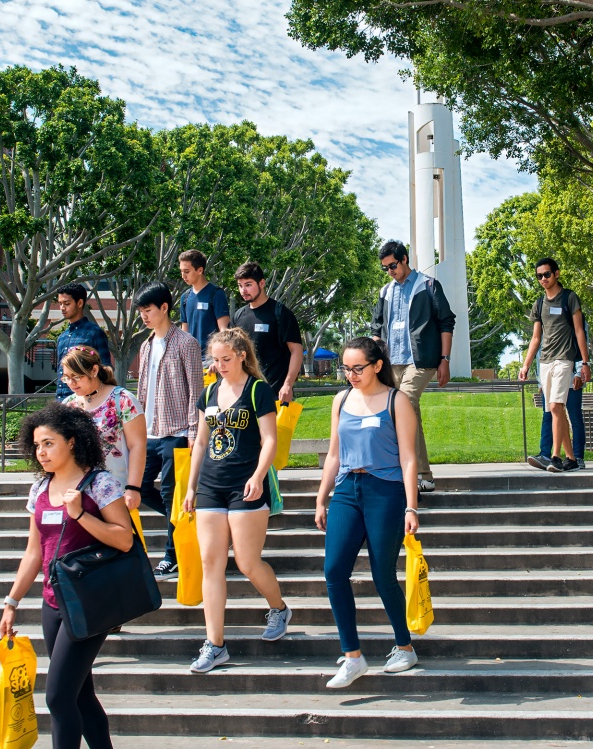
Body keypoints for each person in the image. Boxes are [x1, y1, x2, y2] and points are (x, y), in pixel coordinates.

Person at [0, 403, 133, 749]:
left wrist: (80, 515)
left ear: (72, 442)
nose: (41, 452)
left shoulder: (99, 483)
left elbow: (124, 538)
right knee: (81, 695)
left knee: (58, 697)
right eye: (37, 445)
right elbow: (34, 552)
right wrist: (11, 602)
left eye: (49, 443)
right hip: (53, 602)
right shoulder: (40, 490)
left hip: (90, 602)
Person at [183, 327, 291, 674]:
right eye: (215, 360)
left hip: (246, 484)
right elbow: (199, 442)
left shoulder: (259, 389)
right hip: (211, 487)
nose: (219, 366)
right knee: (211, 565)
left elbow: (270, 440)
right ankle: (215, 644)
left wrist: (258, 476)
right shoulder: (209, 391)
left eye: (226, 359)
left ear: (242, 355)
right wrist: (190, 486)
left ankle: (279, 607)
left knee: (246, 562)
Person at [315, 337, 420, 689]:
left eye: (357, 367)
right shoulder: (341, 400)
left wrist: (411, 505)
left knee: (382, 574)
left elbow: (409, 458)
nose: (351, 374)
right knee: (333, 571)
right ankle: (352, 656)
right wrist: (321, 497)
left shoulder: (396, 400)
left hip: (385, 491)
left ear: (377, 365)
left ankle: (404, 646)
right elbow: (333, 454)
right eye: (346, 368)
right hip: (347, 489)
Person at [370, 241, 456, 494]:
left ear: (404, 259)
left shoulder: (428, 285)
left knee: (405, 403)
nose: (390, 272)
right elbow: (377, 327)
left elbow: (446, 322)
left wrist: (445, 360)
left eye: (393, 266)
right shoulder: (385, 292)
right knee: (403, 413)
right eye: (385, 268)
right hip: (389, 363)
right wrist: (376, 352)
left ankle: (413, 473)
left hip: (421, 361)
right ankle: (421, 475)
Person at [134, 281, 203, 580]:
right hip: (148, 431)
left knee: (169, 493)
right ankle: (190, 522)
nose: (144, 317)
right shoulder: (146, 345)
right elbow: (141, 390)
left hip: (177, 430)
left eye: (148, 310)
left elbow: (196, 392)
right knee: (137, 486)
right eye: (141, 312)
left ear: (164, 308)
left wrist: (193, 432)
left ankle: (171, 555)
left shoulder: (186, 343)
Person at [518, 258, 590, 472]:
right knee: (555, 411)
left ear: (556, 274)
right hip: (545, 361)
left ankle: (554, 457)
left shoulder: (569, 298)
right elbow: (535, 338)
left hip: (565, 358)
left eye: (546, 274)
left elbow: (579, 331)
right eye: (539, 276)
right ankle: (572, 458)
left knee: (556, 406)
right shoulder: (539, 303)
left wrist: (585, 363)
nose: (543, 279)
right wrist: (525, 365)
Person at [60, 346, 146, 507]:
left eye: (76, 377)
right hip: (76, 493)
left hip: (115, 492)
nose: (70, 383)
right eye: (66, 378)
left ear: (94, 370)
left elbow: (138, 445)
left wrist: (133, 487)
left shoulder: (123, 400)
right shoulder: (68, 405)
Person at [232, 262, 304, 405]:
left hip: (275, 393)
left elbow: (297, 351)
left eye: (248, 284)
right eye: (240, 285)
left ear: (262, 283)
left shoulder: (281, 313)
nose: (243, 290)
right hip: (244, 393)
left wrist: (288, 385)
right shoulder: (238, 316)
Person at [53, 283, 112, 401]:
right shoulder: (62, 337)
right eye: (60, 303)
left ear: (80, 303)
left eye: (67, 303)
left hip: (85, 400)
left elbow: (106, 370)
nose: (62, 308)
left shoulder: (94, 333)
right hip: (61, 400)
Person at [179, 249, 230, 364]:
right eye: (181, 271)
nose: (183, 275)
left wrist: (218, 360)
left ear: (200, 270)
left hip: (210, 360)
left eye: (187, 271)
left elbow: (224, 331)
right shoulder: (185, 297)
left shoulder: (216, 294)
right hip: (190, 360)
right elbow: (184, 332)